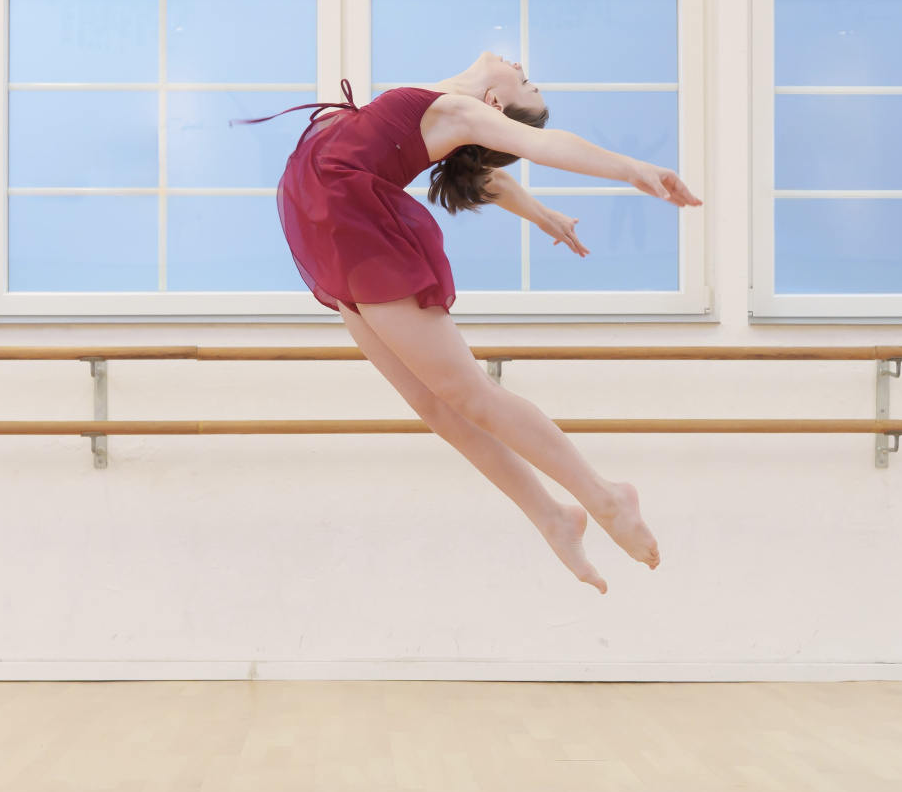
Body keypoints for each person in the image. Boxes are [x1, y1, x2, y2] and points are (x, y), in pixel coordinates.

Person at [264, 52, 702, 593]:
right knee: (434, 406)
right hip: (334, 235)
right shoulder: (444, 111)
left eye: (526, 82)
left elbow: (545, 144)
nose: (522, 68)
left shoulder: (457, 111)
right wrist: (541, 214)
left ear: (493, 103)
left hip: (357, 235)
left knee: (468, 394)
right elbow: (484, 173)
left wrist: (633, 168)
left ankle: (606, 497)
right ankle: (553, 516)